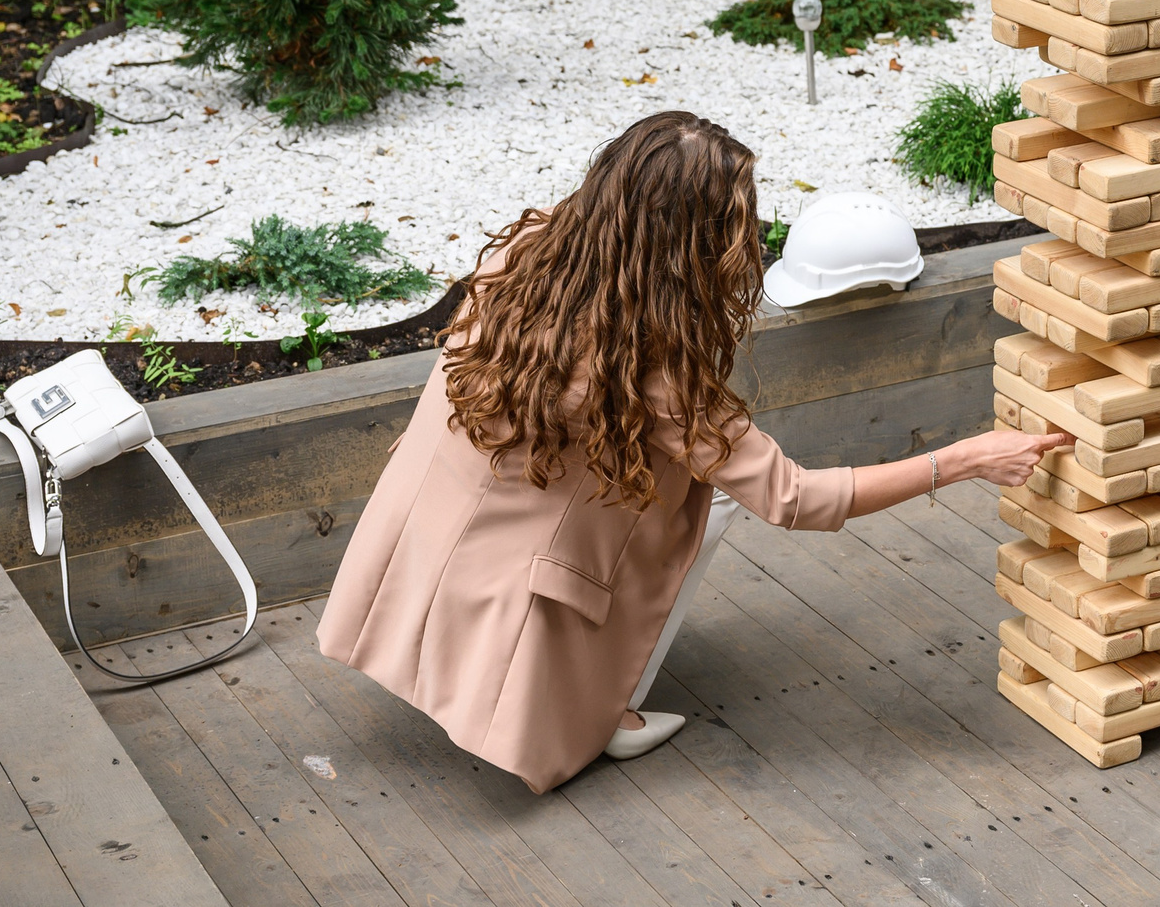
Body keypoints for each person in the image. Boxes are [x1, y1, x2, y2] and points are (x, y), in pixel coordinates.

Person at [318, 111, 1070, 792]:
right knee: (706, 511)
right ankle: (591, 707)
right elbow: (795, 498)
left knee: (663, 487)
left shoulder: (533, 245)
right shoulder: (656, 370)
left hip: (426, 513)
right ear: (690, 243)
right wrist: (967, 458)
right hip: (520, 571)